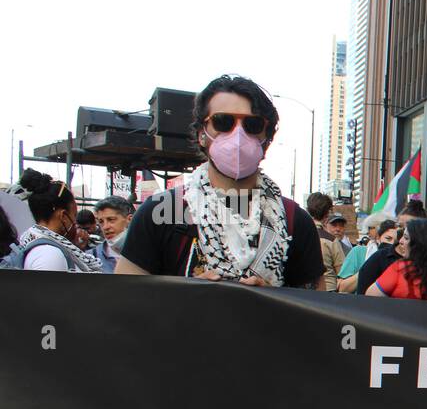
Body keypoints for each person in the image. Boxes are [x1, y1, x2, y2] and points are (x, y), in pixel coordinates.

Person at [117, 75, 325, 290]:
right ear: (202, 135)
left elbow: (315, 306)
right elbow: (126, 300)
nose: (238, 135)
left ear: (267, 138)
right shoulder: (161, 212)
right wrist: (182, 296)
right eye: (223, 122)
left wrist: (274, 299)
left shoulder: (295, 221)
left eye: (252, 124)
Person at [2, 170, 102, 272]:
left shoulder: (44, 249)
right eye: (74, 215)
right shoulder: (50, 255)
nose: (75, 223)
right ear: (63, 216)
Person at [365, 216, 427, 302]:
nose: (401, 241)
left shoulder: (402, 269)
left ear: (420, 243)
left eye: (406, 238)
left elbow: (371, 298)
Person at [353, 221, 403, 295]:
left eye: (396, 241)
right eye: (388, 239)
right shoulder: (360, 251)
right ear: (378, 238)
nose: (392, 244)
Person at [308, 192, 345, 292]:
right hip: (328, 292)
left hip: (302, 292)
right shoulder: (331, 240)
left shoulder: (299, 235)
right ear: (327, 214)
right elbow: (342, 272)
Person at [90, 196, 134, 274]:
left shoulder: (147, 255)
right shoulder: (91, 257)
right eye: (101, 221)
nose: (105, 227)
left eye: (111, 220)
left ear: (129, 220)